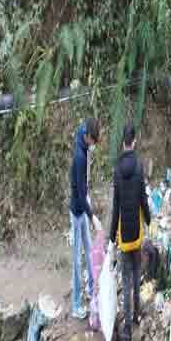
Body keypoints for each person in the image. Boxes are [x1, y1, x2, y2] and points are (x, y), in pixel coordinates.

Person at [109, 123, 151, 341]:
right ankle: (136, 315)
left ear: (122, 142)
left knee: (125, 281)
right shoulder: (139, 166)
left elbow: (115, 205)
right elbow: (143, 197)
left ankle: (126, 329)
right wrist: (149, 217)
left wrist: (110, 237)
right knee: (136, 274)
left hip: (123, 234)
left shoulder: (117, 169)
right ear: (133, 141)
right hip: (137, 231)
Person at [69, 118, 100, 319]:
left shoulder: (82, 135)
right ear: (87, 136)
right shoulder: (80, 156)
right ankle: (76, 304)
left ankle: (91, 288)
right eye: (92, 141)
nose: (93, 145)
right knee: (77, 259)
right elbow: (80, 194)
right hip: (78, 210)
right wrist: (92, 216)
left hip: (83, 198)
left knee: (89, 249)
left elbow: (83, 188)